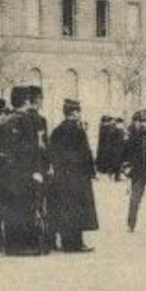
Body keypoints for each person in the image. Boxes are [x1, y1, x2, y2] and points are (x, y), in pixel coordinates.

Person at [0, 85, 50, 255]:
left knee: (11, 208)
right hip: (24, 172)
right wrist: (36, 171)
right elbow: (31, 149)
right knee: (25, 207)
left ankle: (11, 246)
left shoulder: (6, 119)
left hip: (8, 173)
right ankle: (26, 246)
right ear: (26, 100)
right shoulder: (26, 120)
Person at [48, 98, 99, 252]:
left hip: (62, 175)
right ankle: (75, 243)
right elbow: (85, 153)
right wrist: (91, 171)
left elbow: (52, 152)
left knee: (64, 208)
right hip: (78, 176)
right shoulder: (78, 130)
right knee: (77, 209)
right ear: (75, 113)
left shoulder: (57, 130)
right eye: (78, 111)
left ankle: (65, 241)